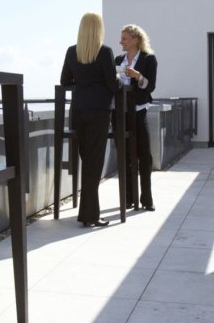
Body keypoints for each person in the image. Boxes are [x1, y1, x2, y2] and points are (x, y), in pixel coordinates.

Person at [60, 12, 121, 227]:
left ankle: (86, 214)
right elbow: (113, 86)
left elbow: (64, 81)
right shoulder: (104, 52)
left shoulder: (71, 51)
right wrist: (116, 78)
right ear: (98, 29)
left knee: (88, 162)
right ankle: (91, 216)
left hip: (78, 111)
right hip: (98, 112)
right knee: (94, 164)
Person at [114, 24, 158, 211]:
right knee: (124, 157)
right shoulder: (117, 60)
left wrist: (138, 76)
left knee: (144, 157)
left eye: (124, 38)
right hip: (120, 113)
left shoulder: (149, 59)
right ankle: (128, 199)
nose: (120, 42)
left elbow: (150, 86)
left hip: (139, 112)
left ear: (135, 39)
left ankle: (146, 199)